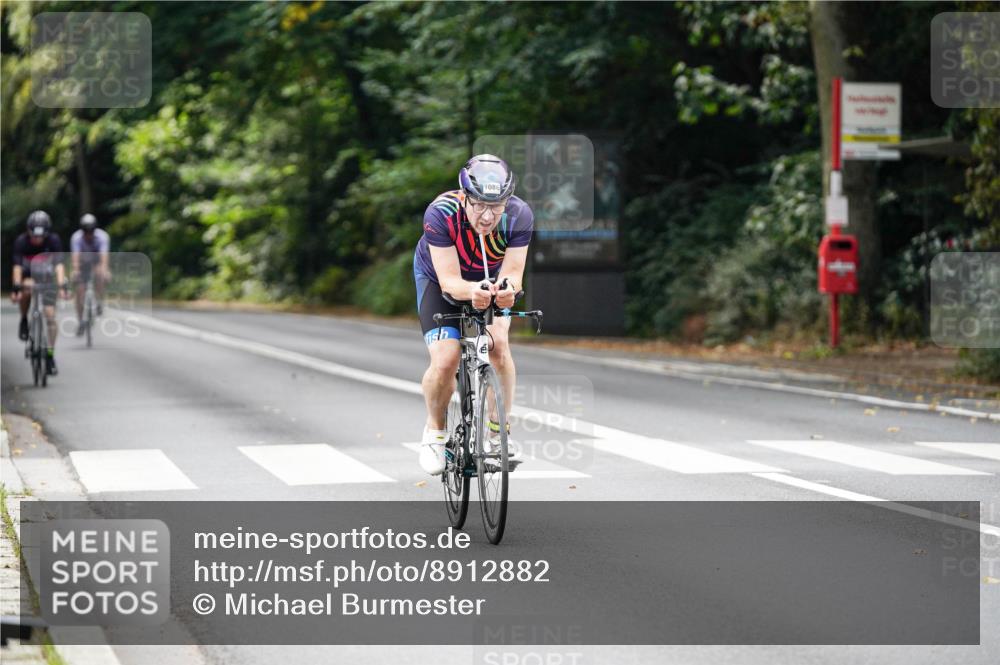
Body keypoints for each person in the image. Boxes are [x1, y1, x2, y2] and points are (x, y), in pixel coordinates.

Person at [412, 155, 534, 475]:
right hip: (439, 281)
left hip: (489, 281)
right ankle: (435, 433)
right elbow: (450, 282)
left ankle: (498, 434)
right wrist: (473, 291)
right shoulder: (441, 214)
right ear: (464, 197)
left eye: (496, 206)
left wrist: (506, 290)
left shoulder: (519, 215)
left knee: (498, 345)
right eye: (479, 204)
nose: (487, 215)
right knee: (446, 359)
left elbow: (514, 275)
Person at [10, 210, 69, 375]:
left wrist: (62, 285)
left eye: (40, 236)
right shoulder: (21, 242)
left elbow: (59, 266)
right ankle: (24, 319)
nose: (37, 239)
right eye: (33, 235)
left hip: (47, 278)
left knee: (50, 315)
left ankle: (50, 354)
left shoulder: (54, 241)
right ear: (28, 231)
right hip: (29, 277)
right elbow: (17, 267)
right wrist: (16, 287)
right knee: (26, 289)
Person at [70, 213, 111, 336]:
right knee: (79, 290)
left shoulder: (102, 236)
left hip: (96, 263)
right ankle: (81, 320)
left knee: (100, 274)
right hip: (82, 264)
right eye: (86, 232)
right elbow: (75, 257)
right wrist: (75, 271)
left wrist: (105, 271)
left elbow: (104, 257)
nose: (88, 234)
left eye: (91, 231)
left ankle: (99, 300)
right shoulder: (76, 238)